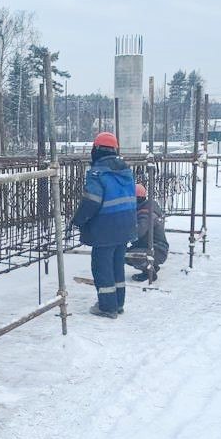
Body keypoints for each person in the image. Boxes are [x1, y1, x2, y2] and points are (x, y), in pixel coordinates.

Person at [70, 132, 137, 319]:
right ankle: (118, 303)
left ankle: (107, 307)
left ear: (96, 150)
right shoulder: (125, 171)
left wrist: (77, 220)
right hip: (126, 227)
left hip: (106, 228)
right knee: (117, 266)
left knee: (102, 267)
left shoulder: (98, 172)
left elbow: (91, 201)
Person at [125, 183, 169, 281]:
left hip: (157, 250)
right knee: (126, 253)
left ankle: (149, 273)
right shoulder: (144, 209)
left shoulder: (146, 213)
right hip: (153, 247)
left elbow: (138, 231)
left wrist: (123, 235)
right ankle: (151, 266)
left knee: (127, 255)